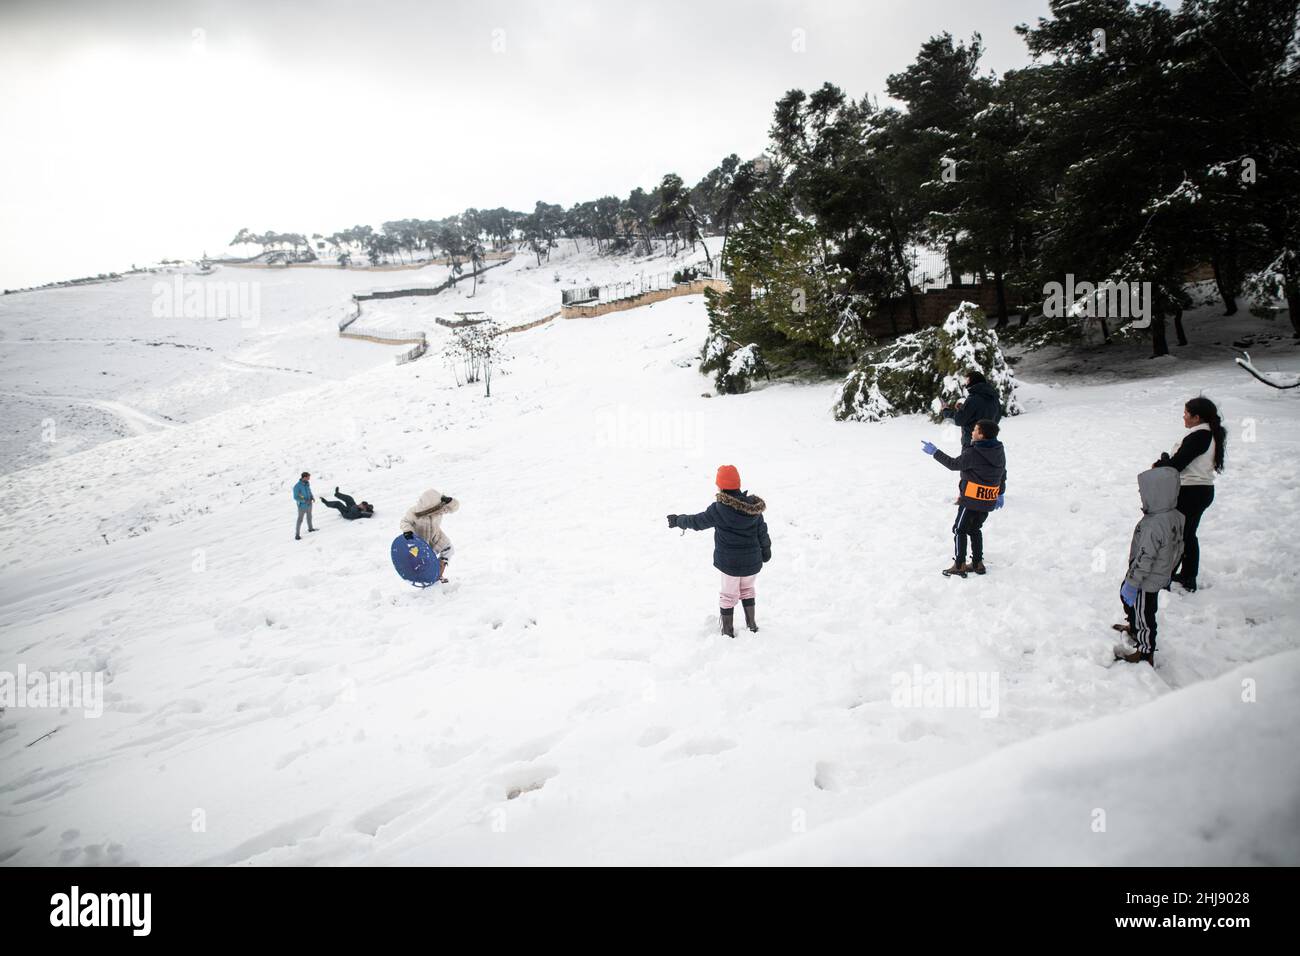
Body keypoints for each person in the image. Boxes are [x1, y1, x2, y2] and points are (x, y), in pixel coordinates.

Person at [667, 465, 771, 637]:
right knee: (747, 590)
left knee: (728, 596)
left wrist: (679, 520)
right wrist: (766, 549)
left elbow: (697, 521)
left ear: (721, 486)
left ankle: (728, 632)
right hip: (752, 561)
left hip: (730, 563)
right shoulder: (754, 508)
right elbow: (762, 531)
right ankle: (751, 625)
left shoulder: (719, 509)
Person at [1152, 396, 1226, 592]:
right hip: (1201, 490)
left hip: (1190, 492)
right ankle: (1187, 576)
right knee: (1187, 535)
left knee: (1177, 536)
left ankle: (1166, 578)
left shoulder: (1199, 436)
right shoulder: (1208, 434)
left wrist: (1159, 465)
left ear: (1196, 417)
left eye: (1186, 413)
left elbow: (1179, 464)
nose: (1183, 416)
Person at [1114, 467, 1185, 666]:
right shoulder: (1173, 516)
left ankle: (1145, 653)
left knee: (1145, 616)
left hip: (1146, 580)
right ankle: (1135, 627)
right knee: (1133, 605)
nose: (1141, 495)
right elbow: (1179, 548)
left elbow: (1145, 557)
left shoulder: (1154, 524)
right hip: (1153, 575)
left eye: (1143, 492)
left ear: (1156, 494)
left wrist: (1132, 582)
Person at [922, 419, 1007, 577]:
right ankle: (977, 563)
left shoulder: (974, 452)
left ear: (981, 435)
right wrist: (1000, 492)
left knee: (959, 529)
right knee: (975, 529)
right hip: (988, 500)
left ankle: (959, 564)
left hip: (970, 500)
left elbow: (954, 464)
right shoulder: (998, 449)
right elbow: (1003, 472)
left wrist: (935, 452)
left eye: (975, 430)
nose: (972, 432)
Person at [399, 489, 459, 582]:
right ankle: (426, 577)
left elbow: (453, 508)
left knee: (448, 549)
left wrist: (450, 501)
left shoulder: (439, 509)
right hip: (419, 541)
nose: (434, 511)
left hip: (435, 536)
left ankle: (438, 574)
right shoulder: (414, 512)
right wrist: (408, 531)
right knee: (424, 561)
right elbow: (405, 521)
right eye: (432, 510)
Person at [941, 370, 1003, 448]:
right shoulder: (994, 398)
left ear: (973, 381)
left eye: (967, 380)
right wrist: (962, 408)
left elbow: (958, 420)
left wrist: (945, 410)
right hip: (990, 444)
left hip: (973, 444)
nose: (966, 383)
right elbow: (994, 418)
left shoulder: (974, 398)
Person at [292, 471, 316, 540]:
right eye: (308, 477)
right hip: (302, 506)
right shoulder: (297, 486)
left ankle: (310, 529)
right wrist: (304, 501)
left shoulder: (307, 484)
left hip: (309, 504)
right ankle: (297, 535)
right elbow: (295, 497)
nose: (309, 478)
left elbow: (309, 491)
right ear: (304, 477)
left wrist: (312, 497)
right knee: (300, 520)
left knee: (309, 517)